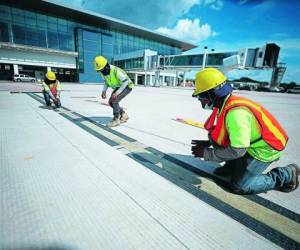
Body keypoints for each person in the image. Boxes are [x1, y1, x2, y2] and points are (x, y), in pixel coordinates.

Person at [191, 67, 299, 194]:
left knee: (240, 186)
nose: (199, 99)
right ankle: (232, 167)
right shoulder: (225, 104)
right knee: (216, 142)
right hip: (250, 144)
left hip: (265, 149)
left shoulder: (236, 113)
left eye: (201, 95)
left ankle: (286, 174)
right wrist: (209, 143)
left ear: (212, 93)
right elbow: (226, 134)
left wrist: (206, 153)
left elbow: (238, 150)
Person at [93, 55, 134, 127]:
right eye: (99, 70)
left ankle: (116, 119)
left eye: (101, 70)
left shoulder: (116, 71)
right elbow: (106, 82)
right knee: (110, 102)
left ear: (106, 66)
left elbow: (125, 82)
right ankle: (124, 115)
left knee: (114, 100)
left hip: (127, 86)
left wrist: (117, 93)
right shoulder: (104, 73)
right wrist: (104, 91)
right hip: (119, 86)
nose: (101, 72)